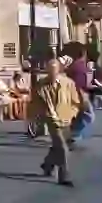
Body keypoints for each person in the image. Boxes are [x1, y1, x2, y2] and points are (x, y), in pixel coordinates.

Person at [31, 58, 83, 187]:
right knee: (63, 148)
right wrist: (37, 117)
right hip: (51, 119)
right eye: (49, 70)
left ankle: (47, 164)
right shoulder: (41, 85)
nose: (52, 73)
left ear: (59, 70)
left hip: (66, 118)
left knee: (57, 146)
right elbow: (35, 103)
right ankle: (64, 176)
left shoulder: (68, 83)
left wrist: (72, 114)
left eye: (54, 70)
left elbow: (75, 101)